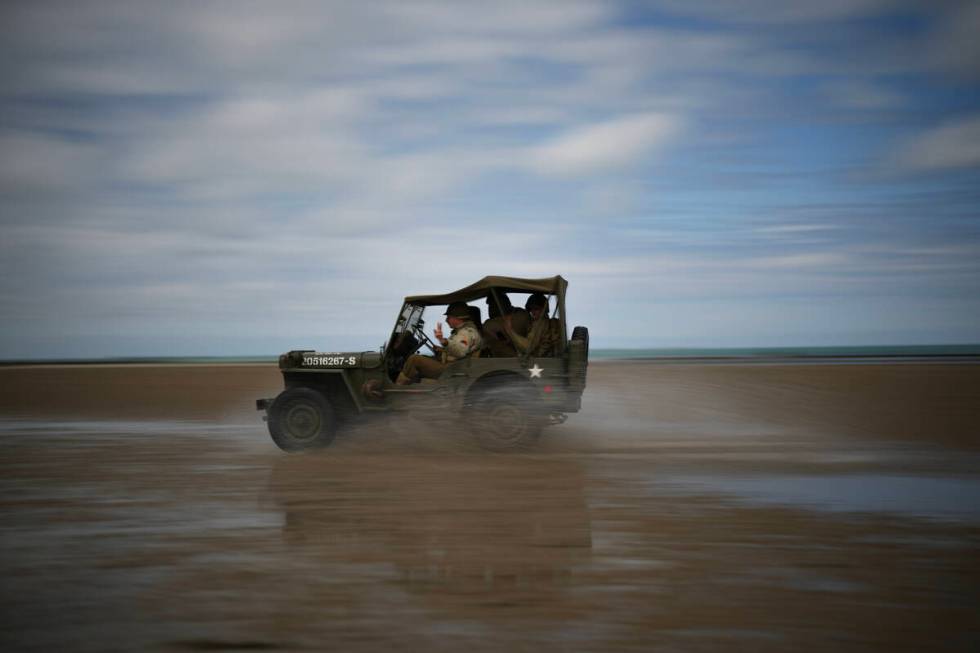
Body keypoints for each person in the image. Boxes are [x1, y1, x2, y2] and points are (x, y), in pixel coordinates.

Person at [396, 301, 483, 384]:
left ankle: (398, 388)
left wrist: (444, 342)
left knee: (414, 359)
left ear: (458, 318)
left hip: (453, 370)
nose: (446, 320)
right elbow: (459, 349)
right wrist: (442, 350)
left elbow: (460, 351)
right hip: (456, 366)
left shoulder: (466, 332)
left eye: (449, 317)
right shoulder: (464, 331)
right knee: (423, 357)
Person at [503, 292, 561, 357]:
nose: (533, 312)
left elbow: (528, 347)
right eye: (531, 309)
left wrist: (510, 331)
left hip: (538, 362)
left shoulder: (540, 324)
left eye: (536, 309)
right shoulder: (548, 323)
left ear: (544, 309)